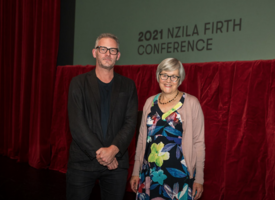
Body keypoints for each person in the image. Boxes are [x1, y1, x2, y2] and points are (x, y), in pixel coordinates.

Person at [66, 33, 138, 200]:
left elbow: (130, 123)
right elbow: (77, 125)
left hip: (116, 164)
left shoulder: (128, 86)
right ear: (94, 52)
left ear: (118, 56)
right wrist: (103, 155)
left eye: (112, 50)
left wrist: (113, 151)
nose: (107, 54)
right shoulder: (78, 83)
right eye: (103, 49)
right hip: (83, 162)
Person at [130, 58, 205, 200]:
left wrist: (199, 179)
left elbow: (199, 143)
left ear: (180, 79)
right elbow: (141, 140)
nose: (168, 80)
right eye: (164, 75)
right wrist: (136, 171)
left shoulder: (191, 103)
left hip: (180, 177)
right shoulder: (149, 103)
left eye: (174, 76)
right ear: (158, 76)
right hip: (149, 175)